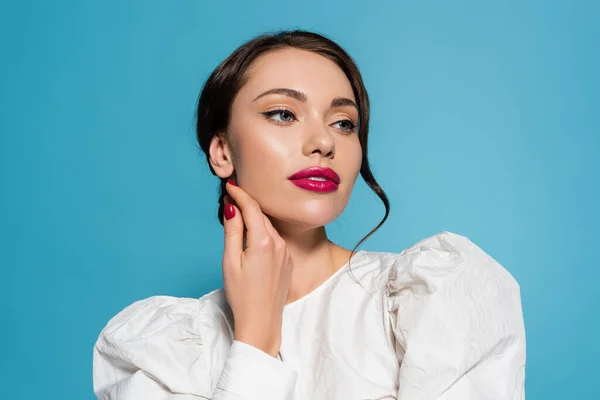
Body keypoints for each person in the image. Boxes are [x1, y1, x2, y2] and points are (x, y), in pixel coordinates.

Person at [92, 30, 526, 399]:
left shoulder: (437, 296)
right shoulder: (163, 348)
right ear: (222, 151)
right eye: (283, 114)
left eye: (343, 123)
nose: (323, 142)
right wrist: (256, 341)